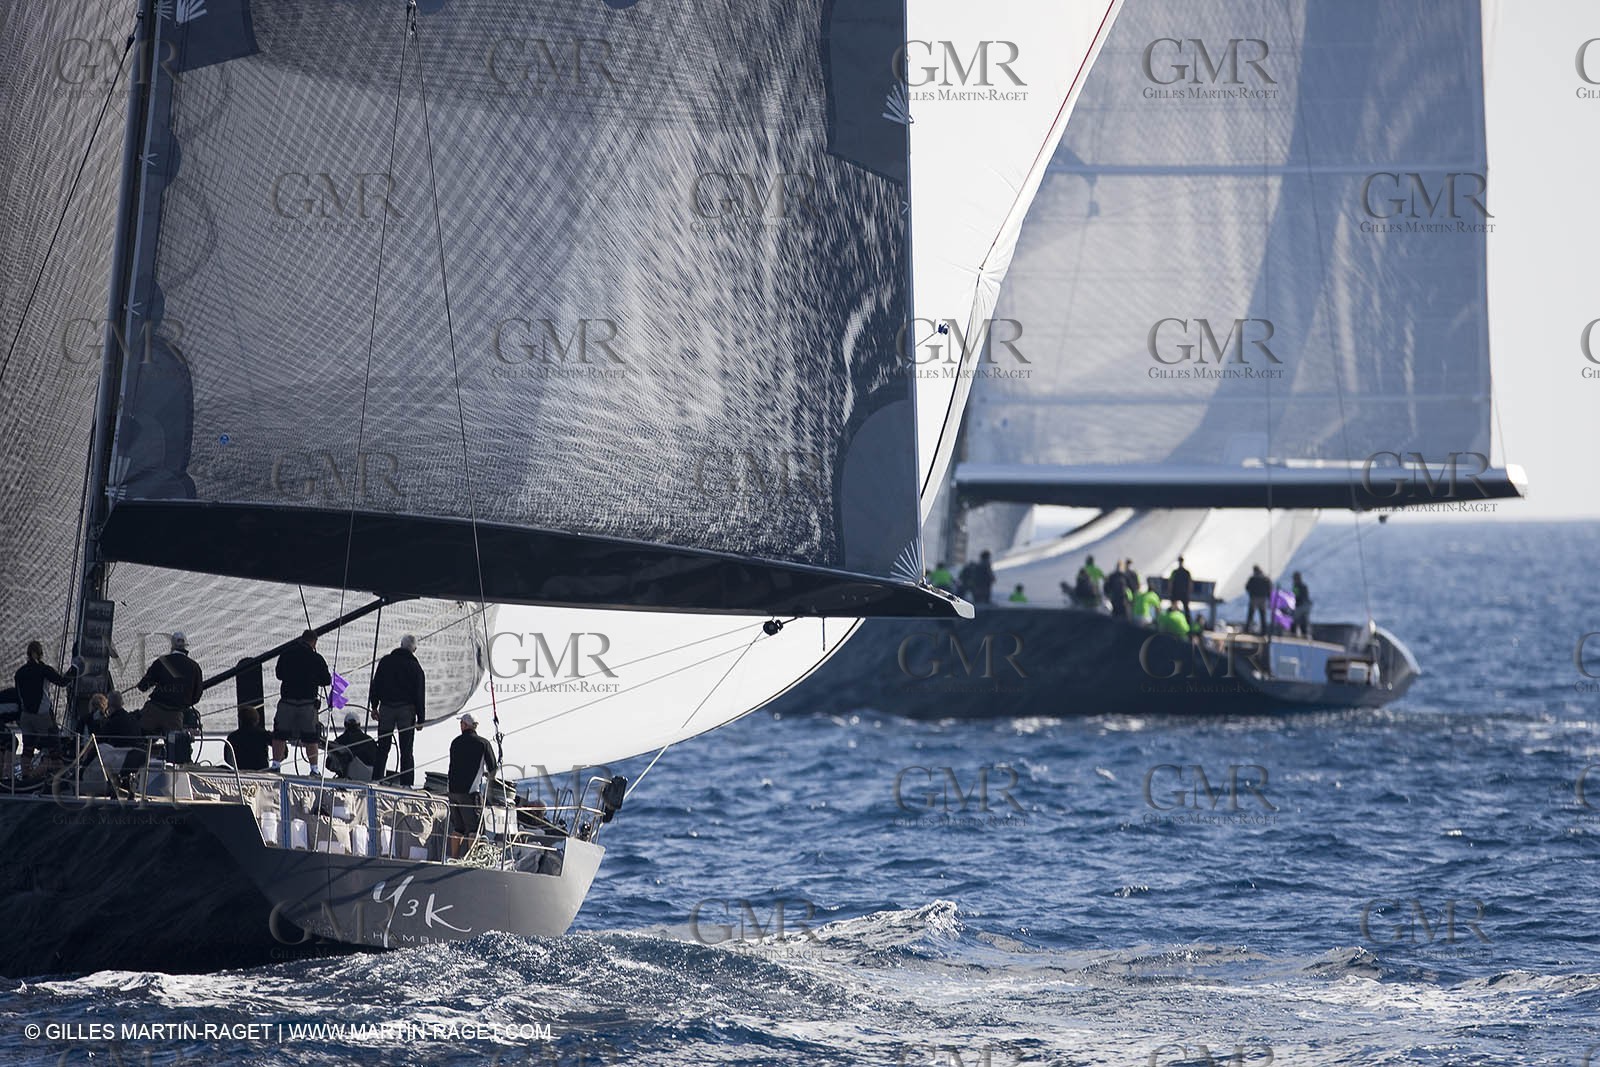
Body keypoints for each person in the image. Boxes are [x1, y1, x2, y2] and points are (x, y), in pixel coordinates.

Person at [370, 634, 427, 787]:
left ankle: (376, 780)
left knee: (383, 747)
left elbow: (376, 685)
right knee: (406, 750)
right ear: (414, 649)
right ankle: (406, 785)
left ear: (401, 644)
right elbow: (419, 694)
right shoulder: (415, 668)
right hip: (406, 711)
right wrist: (421, 719)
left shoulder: (385, 662)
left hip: (386, 708)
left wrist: (374, 706)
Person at [272, 629, 331, 775]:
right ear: (314, 642)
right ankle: (314, 769)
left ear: (301, 639)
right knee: (311, 737)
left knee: (280, 734)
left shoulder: (286, 653)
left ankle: (275, 765)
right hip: (307, 704)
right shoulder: (316, 658)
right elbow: (326, 680)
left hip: (287, 701)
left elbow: (279, 674)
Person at [15, 640, 78, 768]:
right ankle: (57, 774)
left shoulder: (19, 673)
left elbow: (18, 695)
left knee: (27, 748)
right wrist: (74, 669)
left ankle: (25, 775)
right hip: (42, 715)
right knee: (54, 746)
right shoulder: (44, 670)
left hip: (25, 716)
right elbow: (62, 682)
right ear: (38, 654)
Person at [448, 712, 499, 858]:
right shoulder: (483, 743)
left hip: (452, 792)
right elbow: (493, 769)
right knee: (474, 830)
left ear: (465, 725)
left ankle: (454, 858)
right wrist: (488, 775)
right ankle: (471, 860)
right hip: (470, 793)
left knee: (458, 828)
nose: (460, 725)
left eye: (461, 723)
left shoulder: (455, 742)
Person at [136, 632, 204, 738]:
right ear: (185, 646)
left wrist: (143, 684)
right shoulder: (195, 667)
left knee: (141, 736)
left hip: (154, 710)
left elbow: (143, 686)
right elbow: (197, 695)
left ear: (172, 645)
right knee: (174, 742)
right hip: (175, 714)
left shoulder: (162, 662)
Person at [327, 712, 379, 781]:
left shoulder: (339, 741)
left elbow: (328, 764)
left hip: (346, 778)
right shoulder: (369, 740)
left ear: (345, 725)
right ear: (359, 724)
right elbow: (377, 761)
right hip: (368, 778)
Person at [225, 704, 272, 772]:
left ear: (240, 720)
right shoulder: (264, 734)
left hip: (241, 771)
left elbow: (227, 758)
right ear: (257, 720)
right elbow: (282, 750)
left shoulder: (232, 736)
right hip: (261, 771)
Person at [1245, 565, 1272, 635]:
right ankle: (1264, 631)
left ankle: (1247, 629)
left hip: (1254, 598)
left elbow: (1247, 587)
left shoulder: (1252, 579)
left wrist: (1251, 593)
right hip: (1263, 599)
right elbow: (1269, 589)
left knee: (1251, 615)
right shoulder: (1265, 578)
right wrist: (1269, 598)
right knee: (1262, 615)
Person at [1291, 571, 1312, 638]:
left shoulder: (1296, 586)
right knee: (1304, 621)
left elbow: (1296, 597)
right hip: (1306, 606)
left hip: (1300, 606)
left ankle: (1294, 634)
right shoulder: (1304, 586)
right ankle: (1305, 634)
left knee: (1295, 620)